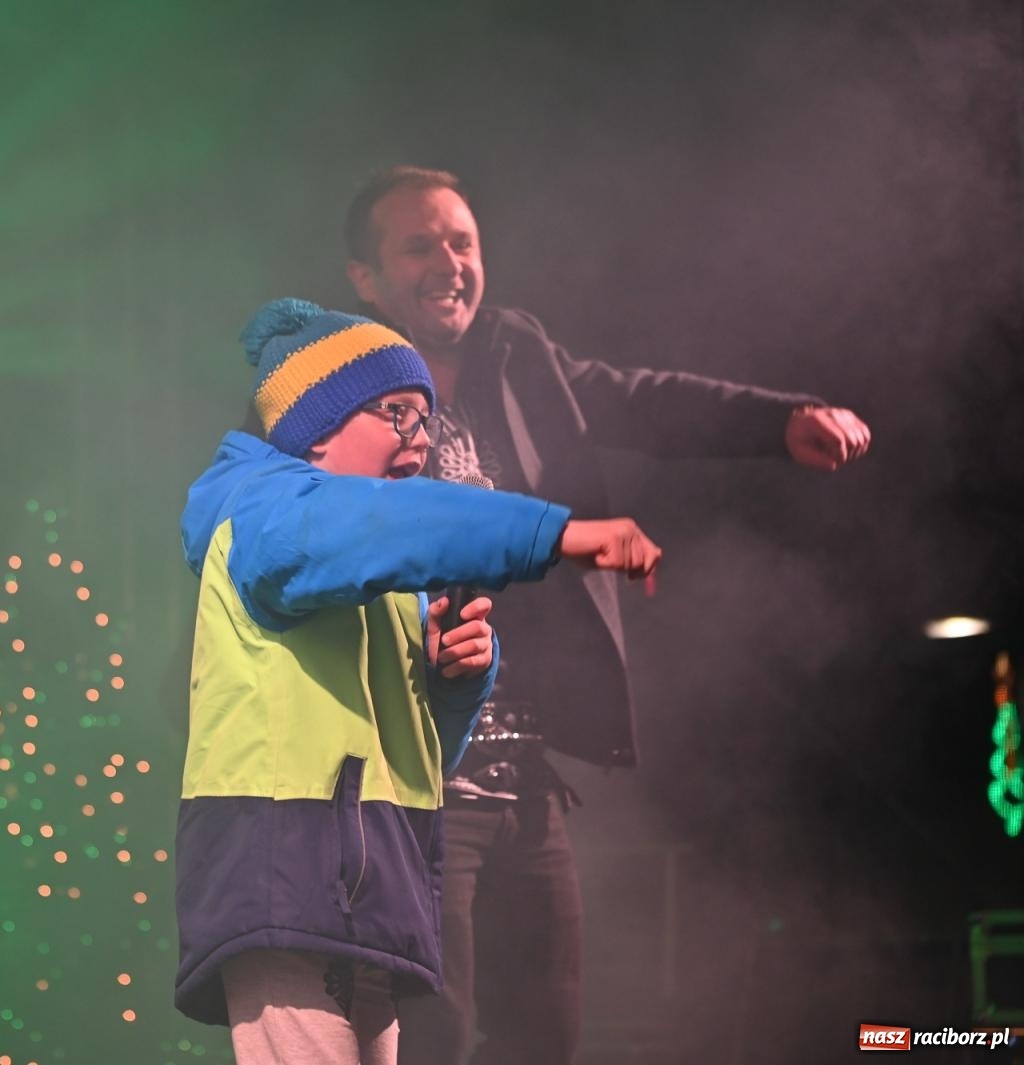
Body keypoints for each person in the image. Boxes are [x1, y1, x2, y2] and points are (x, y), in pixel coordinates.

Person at [341, 165, 873, 1065]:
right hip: (414, 783)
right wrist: (572, 536)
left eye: (463, 242)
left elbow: (637, 397)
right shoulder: (338, 394)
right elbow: (369, 537)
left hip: (527, 783)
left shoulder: (518, 353)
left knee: (547, 1038)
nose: (450, 261)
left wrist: (784, 421)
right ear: (365, 277)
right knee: (435, 1037)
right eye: (419, 245)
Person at [174, 298, 662, 1065]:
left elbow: (427, 757)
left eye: (426, 418)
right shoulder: (262, 510)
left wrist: (455, 683)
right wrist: (556, 534)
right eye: (397, 412)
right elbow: (375, 524)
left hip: (366, 892)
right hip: (288, 883)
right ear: (315, 425)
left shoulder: (383, 577)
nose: (422, 438)